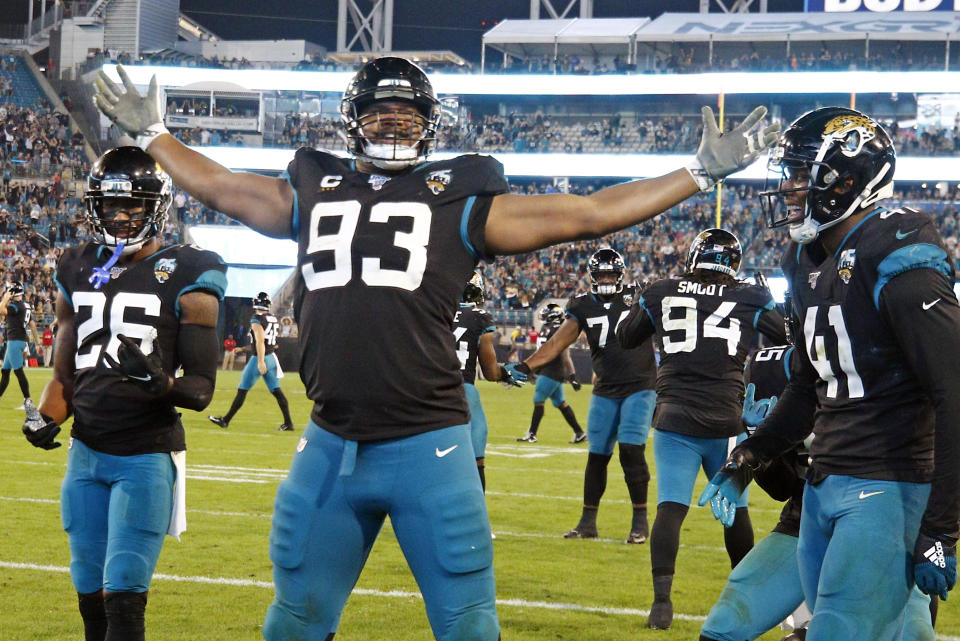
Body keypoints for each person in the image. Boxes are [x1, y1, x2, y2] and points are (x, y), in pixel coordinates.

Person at [94, 56, 777, 641]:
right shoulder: (314, 184)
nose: (393, 123)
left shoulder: (461, 193)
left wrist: (696, 171)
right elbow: (224, 188)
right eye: (380, 112)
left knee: (468, 623)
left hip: (430, 447)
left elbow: (589, 211)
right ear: (353, 118)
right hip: (331, 444)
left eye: (407, 113)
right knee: (293, 620)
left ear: (429, 124)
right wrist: (155, 136)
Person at [699, 107, 960, 641]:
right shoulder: (804, 259)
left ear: (845, 180)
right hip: (822, 483)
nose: (789, 188)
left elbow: (954, 390)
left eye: (799, 174)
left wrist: (942, 529)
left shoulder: (898, 250)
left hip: (887, 484)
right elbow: (808, 387)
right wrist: (751, 455)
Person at [21, 146, 226, 641]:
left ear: (156, 207)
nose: (121, 215)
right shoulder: (74, 265)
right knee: (88, 590)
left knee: (125, 596)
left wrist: (162, 384)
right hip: (86, 452)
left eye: (133, 206)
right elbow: (65, 376)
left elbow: (201, 390)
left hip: (145, 454)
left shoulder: (191, 269)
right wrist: (45, 418)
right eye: (112, 206)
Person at [699, 343, 938, 641]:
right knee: (722, 628)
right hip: (807, 520)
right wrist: (758, 446)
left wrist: (938, 537)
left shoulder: (887, 357)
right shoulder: (773, 367)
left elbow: (932, 461)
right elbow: (781, 489)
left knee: (912, 635)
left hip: (880, 522)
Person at [616, 229, 786, 629]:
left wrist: (638, 302)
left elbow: (626, 338)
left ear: (694, 256)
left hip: (675, 416)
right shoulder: (751, 296)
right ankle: (746, 598)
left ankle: (661, 605)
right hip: (727, 418)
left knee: (671, 508)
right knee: (736, 511)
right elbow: (792, 338)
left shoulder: (661, 289)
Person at [512, 248, 658, 545]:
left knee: (631, 451)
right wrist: (524, 366)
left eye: (610, 274)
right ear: (592, 276)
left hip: (640, 386)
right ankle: (588, 522)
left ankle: (640, 523)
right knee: (597, 456)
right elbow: (555, 344)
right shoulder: (582, 305)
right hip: (605, 389)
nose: (605, 279)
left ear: (620, 275)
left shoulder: (639, 296)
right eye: (600, 274)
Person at [452, 271, 524, 491]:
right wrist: (506, 374)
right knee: (475, 461)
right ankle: (475, 521)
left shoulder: (431, 310)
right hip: (463, 390)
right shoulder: (480, 316)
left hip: (428, 390)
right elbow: (491, 371)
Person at [209, 291, 295, 431]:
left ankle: (225, 420)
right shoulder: (272, 318)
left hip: (260, 358)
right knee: (277, 391)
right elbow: (268, 341)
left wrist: (260, 361)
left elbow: (260, 341)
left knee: (242, 390)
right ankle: (288, 423)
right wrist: (243, 349)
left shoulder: (257, 319)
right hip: (272, 357)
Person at [515, 302, 585, 444]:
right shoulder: (548, 328)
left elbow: (565, 354)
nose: (544, 315)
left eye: (547, 313)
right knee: (560, 402)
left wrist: (572, 376)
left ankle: (532, 434)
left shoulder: (558, 330)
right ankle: (579, 433)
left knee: (538, 400)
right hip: (550, 370)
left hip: (552, 370)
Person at [0, 280, 40, 420]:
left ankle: (28, 401)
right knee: (5, 371)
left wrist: (5, 296)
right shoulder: (26, 305)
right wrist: (38, 343)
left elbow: (1, 310)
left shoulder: (15, 306)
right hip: (21, 340)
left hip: (15, 341)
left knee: (18, 372)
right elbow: (33, 325)